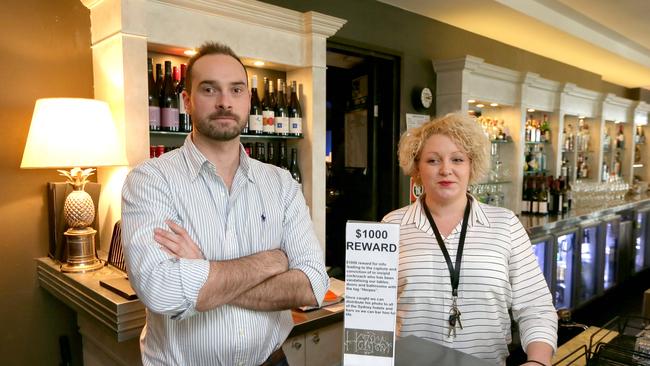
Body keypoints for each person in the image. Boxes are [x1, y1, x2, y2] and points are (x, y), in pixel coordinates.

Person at [121, 42, 328, 366]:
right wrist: (273, 261)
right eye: (209, 89)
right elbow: (161, 289)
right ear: (187, 101)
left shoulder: (281, 184)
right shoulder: (150, 180)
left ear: (248, 99)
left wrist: (202, 269)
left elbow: (313, 285)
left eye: (236, 89)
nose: (224, 102)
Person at [382, 112, 557, 366]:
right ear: (417, 167)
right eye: (433, 160)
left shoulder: (505, 224)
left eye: (457, 159)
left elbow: (536, 306)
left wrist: (538, 362)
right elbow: (371, 308)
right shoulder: (391, 226)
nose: (446, 170)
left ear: (471, 166)